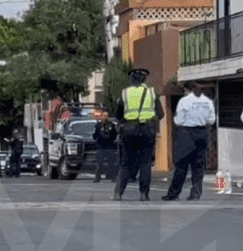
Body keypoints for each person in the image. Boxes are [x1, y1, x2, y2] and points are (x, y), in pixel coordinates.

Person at [113, 68, 164, 201]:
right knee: (145, 163)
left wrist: (125, 120)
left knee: (126, 162)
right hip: (147, 129)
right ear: (144, 79)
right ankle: (144, 194)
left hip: (129, 130)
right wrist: (150, 119)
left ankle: (118, 193)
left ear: (131, 79)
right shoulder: (152, 92)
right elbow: (161, 114)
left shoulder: (125, 93)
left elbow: (117, 114)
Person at [162, 81, 216, 201]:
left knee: (181, 166)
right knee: (198, 167)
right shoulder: (208, 102)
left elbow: (179, 121)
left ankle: (173, 194)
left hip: (186, 134)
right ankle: (196, 194)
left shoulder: (184, 101)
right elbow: (212, 120)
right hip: (202, 133)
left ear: (187, 89)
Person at [92, 111, 118, 182]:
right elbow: (94, 135)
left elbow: (114, 135)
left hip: (109, 146)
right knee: (99, 163)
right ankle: (97, 177)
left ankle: (113, 177)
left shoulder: (112, 125)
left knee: (111, 163)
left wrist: (110, 140)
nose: (105, 118)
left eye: (106, 116)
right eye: (104, 116)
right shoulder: (98, 125)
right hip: (101, 146)